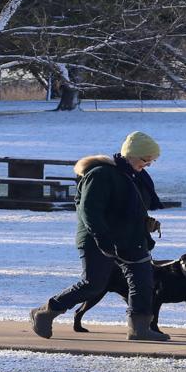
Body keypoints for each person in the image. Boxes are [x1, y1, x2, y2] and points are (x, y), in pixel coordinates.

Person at [30, 131, 167, 341]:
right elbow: (89, 211)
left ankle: (139, 329)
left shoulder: (137, 177)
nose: (148, 164)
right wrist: (103, 239)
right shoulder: (101, 174)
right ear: (130, 155)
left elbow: (132, 208)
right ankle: (45, 312)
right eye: (145, 159)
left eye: (152, 160)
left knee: (143, 281)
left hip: (131, 240)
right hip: (98, 239)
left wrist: (145, 222)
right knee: (93, 284)